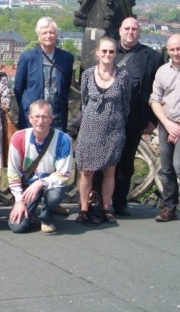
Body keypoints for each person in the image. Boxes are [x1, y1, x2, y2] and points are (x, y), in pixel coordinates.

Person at [75, 37, 130, 225]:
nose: (107, 55)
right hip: (90, 129)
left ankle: (106, 208)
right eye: (104, 51)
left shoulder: (123, 77)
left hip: (113, 130)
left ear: (115, 54)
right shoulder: (88, 75)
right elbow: (84, 101)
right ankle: (83, 209)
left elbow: (125, 104)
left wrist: (116, 122)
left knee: (109, 172)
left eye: (111, 51)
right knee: (87, 172)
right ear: (97, 52)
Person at [112, 17, 163, 215]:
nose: (130, 32)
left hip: (135, 120)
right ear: (120, 30)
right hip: (108, 120)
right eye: (127, 28)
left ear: (139, 32)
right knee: (106, 162)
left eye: (134, 29)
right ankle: (101, 200)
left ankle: (120, 202)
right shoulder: (108, 52)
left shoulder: (152, 57)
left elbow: (159, 92)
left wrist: (153, 121)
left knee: (126, 163)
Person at [7, 100, 73, 234]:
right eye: (36, 116)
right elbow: (13, 173)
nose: (40, 121)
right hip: (27, 185)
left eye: (45, 117)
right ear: (30, 118)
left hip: (49, 185)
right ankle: (30, 211)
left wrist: (40, 183)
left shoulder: (63, 140)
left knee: (54, 195)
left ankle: (47, 217)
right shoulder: (18, 138)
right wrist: (19, 201)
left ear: (51, 119)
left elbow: (63, 174)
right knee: (17, 227)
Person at [14, 17, 74, 132]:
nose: (48, 36)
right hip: (33, 119)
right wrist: (28, 107)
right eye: (44, 33)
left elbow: (66, 87)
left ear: (56, 35)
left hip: (57, 118)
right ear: (38, 36)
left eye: (51, 32)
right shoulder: (28, 57)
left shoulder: (67, 58)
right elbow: (18, 88)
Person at [149, 34, 180, 223]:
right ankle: (169, 208)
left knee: (179, 166)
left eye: (179, 48)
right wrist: (168, 125)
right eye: (173, 49)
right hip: (166, 123)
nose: (177, 53)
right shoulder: (162, 71)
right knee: (167, 168)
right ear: (167, 50)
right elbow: (154, 99)